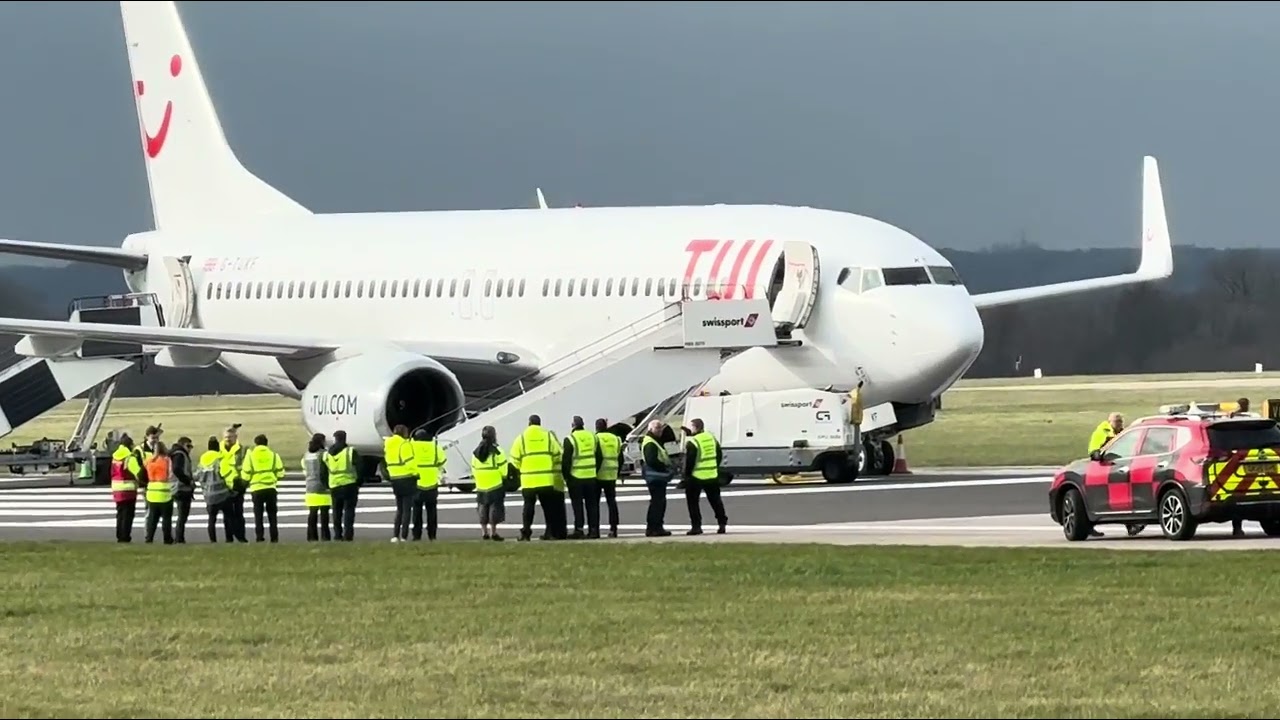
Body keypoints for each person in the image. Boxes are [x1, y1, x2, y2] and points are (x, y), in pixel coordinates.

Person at [510, 414, 565, 541]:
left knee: (528, 507)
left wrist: (523, 468)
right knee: (548, 508)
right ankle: (549, 532)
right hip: (546, 479)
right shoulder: (548, 436)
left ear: (529, 423)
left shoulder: (522, 438)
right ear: (540, 423)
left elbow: (514, 460)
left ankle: (526, 532)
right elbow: (558, 454)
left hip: (528, 480)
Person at [683, 418, 728, 535]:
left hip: (696, 476)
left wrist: (686, 476)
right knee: (716, 501)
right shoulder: (711, 438)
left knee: (693, 502)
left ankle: (696, 526)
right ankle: (722, 523)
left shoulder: (693, 442)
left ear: (695, 428)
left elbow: (690, 462)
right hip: (712, 474)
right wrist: (714, 467)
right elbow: (719, 454)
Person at [563, 415, 603, 539]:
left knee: (577, 505)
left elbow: (566, 461)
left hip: (576, 477)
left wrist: (566, 477)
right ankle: (594, 530)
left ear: (573, 425)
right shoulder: (593, 437)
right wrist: (594, 470)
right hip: (591, 476)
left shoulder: (570, 439)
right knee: (593, 505)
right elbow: (599, 457)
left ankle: (579, 529)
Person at [241, 433, 285, 543]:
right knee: (272, 515)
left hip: (256, 488)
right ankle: (274, 537)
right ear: (266, 443)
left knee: (258, 515)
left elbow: (246, 473)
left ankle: (259, 536)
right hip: (270, 488)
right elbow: (280, 473)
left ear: (256, 444)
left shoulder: (250, 455)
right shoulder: (274, 455)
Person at [471, 425, 507, 541]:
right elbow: (503, 469)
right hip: (495, 484)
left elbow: (473, 469)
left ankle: (484, 532)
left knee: (482, 508)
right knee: (494, 509)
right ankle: (494, 532)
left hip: (481, 485)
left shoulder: (476, 452)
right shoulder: (498, 451)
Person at [640, 419, 674, 537]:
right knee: (657, 503)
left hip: (656, 476)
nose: (659, 431)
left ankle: (655, 527)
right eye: (657, 428)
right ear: (650, 429)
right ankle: (654, 528)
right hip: (655, 476)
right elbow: (651, 460)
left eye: (660, 428)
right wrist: (664, 467)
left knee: (658, 502)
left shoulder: (655, 441)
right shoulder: (650, 443)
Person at [325, 430, 361, 541]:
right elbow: (360, 468)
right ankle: (348, 535)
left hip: (334, 485)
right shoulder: (350, 452)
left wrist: (327, 484)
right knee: (349, 511)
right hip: (349, 484)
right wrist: (358, 482)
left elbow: (323, 472)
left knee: (336, 512)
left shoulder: (327, 454)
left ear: (335, 439)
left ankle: (337, 534)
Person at [383, 424, 417, 543]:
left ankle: (395, 535)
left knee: (399, 509)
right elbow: (409, 462)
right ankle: (404, 535)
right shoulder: (404, 444)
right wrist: (416, 473)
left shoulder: (388, 444)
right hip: (406, 478)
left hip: (394, 478)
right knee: (407, 509)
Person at [411, 428, 445, 542]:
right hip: (432, 483)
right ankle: (432, 535)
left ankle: (416, 535)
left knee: (417, 512)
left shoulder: (412, 447)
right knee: (432, 512)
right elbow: (442, 460)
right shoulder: (435, 447)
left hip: (417, 482)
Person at [197, 436, 234, 542]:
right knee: (228, 518)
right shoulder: (220, 458)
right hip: (222, 493)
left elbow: (199, 476)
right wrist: (230, 488)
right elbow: (225, 474)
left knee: (211, 519)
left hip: (209, 494)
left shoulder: (203, 459)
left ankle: (213, 540)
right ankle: (229, 539)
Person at [110, 434, 143, 543]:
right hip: (128, 489)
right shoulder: (130, 457)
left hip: (117, 488)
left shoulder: (115, 456)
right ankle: (125, 536)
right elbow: (137, 471)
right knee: (128, 515)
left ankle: (119, 535)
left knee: (120, 514)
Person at [594, 418, 623, 538]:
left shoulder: (595, 439)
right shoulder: (616, 439)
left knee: (594, 504)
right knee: (612, 502)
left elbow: (597, 456)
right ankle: (613, 528)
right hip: (611, 474)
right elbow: (620, 458)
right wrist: (617, 471)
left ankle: (595, 529)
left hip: (598, 475)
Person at [220, 425, 249, 543]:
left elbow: (246, 467)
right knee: (227, 515)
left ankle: (241, 536)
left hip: (237, 486)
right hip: (223, 486)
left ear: (235, 437)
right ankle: (229, 537)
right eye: (226, 437)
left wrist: (243, 484)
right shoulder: (218, 450)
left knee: (239, 514)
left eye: (230, 437)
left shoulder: (242, 450)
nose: (228, 439)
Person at [143, 442, 176, 544]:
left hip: (151, 492)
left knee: (152, 518)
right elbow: (171, 475)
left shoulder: (148, 461)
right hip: (164, 492)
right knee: (166, 518)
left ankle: (149, 538)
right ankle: (167, 539)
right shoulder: (166, 460)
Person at [302, 433, 332, 542]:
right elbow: (330, 468)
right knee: (324, 516)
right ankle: (325, 536)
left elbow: (305, 470)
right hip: (323, 488)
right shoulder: (324, 454)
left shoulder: (306, 455)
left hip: (310, 487)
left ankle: (311, 537)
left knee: (312, 514)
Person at [169, 436, 195, 543]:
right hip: (181, 488)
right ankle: (179, 537)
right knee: (182, 515)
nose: (189, 449)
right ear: (182, 445)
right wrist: (187, 480)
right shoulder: (180, 454)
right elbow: (176, 469)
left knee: (182, 515)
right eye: (188, 446)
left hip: (176, 487)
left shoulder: (176, 453)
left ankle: (179, 537)